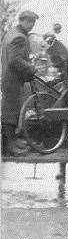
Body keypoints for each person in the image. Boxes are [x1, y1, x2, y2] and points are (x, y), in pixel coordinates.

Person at [1, 10, 39, 155]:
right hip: (13, 80)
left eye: (33, 22)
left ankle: (13, 141)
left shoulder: (11, 33)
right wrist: (31, 68)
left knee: (13, 110)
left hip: (9, 78)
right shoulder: (19, 37)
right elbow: (14, 60)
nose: (31, 25)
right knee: (10, 113)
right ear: (22, 21)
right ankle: (9, 146)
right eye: (29, 22)